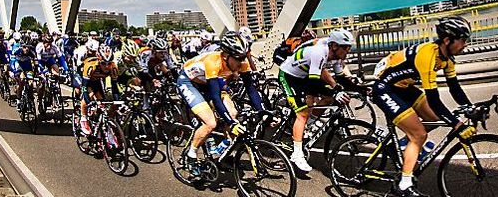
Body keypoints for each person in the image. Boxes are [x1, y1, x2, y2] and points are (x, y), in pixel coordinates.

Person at [371, 17, 476, 197]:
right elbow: (434, 100)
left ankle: (404, 145)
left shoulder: (446, 59)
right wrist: (456, 123)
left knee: (433, 118)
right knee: (419, 134)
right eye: (463, 40)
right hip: (385, 88)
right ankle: (403, 185)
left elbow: (454, 87)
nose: (465, 44)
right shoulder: (427, 56)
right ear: (447, 40)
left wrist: (470, 107)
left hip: (402, 87)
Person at [278, 29, 363, 173]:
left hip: (304, 75)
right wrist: (335, 92)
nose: (348, 51)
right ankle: (297, 154)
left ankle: (307, 126)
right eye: (346, 48)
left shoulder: (336, 56)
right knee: (302, 113)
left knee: (328, 98)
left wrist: (362, 90)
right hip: (289, 76)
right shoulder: (319, 52)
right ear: (335, 46)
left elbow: (340, 78)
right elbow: (313, 84)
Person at [176, 34, 264, 175]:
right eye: (238, 58)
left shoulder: (241, 62)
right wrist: (231, 123)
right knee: (210, 123)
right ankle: (191, 155)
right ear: (226, 55)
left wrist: (263, 112)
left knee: (233, 114)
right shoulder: (213, 61)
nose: (241, 62)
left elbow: (251, 89)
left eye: (243, 57)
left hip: (209, 82)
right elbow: (216, 98)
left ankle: (222, 153)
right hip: (189, 82)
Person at [79, 44, 117, 135]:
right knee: (90, 95)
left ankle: (98, 121)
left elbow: (115, 87)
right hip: (85, 79)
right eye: (104, 63)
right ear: (99, 61)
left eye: (109, 63)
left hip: (97, 80)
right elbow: (84, 87)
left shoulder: (113, 67)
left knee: (102, 102)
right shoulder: (91, 66)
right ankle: (83, 119)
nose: (107, 66)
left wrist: (117, 100)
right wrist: (88, 101)